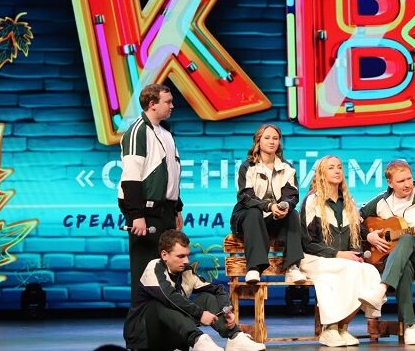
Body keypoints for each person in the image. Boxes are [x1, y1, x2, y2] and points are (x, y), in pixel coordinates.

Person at [123, 229, 264, 351]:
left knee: (208, 297)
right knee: (162, 302)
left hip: (175, 332)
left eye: (187, 255)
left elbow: (217, 290)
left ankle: (234, 337)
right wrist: (200, 314)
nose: (186, 261)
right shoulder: (154, 268)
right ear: (164, 255)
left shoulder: (186, 271)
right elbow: (169, 297)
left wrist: (226, 310)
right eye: (180, 256)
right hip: (146, 337)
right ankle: (199, 341)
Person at [299, 155, 386, 347]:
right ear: (321, 173)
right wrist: (338, 254)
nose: (337, 170)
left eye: (339, 167)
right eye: (331, 167)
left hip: (342, 261)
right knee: (349, 270)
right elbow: (307, 242)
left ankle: (342, 328)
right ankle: (330, 329)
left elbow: (355, 236)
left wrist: (355, 255)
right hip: (314, 258)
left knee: (369, 271)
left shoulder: (348, 201)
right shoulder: (312, 200)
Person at [360, 159, 415, 345]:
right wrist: (369, 236)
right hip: (398, 262)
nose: (407, 184)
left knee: (407, 238)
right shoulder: (381, 201)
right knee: (404, 267)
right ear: (390, 183)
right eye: (401, 181)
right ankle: (410, 327)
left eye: (409, 179)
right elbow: (356, 218)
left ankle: (381, 289)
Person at [118, 83, 183, 299]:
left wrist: (177, 207)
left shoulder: (166, 133)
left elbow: (171, 173)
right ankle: (140, 322)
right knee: (145, 274)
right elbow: (131, 177)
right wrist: (136, 215)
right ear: (152, 104)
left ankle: (164, 320)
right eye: (168, 102)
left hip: (166, 211)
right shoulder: (138, 131)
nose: (172, 106)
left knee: (167, 275)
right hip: (146, 213)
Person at [229, 123, 306, 284]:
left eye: (275, 138)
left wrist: (284, 207)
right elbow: (245, 197)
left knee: (293, 214)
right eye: (267, 138)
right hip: (247, 218)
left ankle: (292, 267)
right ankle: (254, 268)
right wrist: (269, 206)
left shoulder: (287, 168)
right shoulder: (247, 167)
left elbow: (292, 195)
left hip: (273, 218)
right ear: (258, 141)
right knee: (254, 212)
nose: (271, 141)